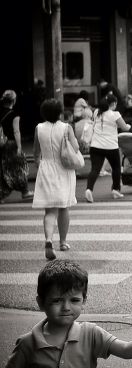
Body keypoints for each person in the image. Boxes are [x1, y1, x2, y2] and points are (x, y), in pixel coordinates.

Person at [5, 259, 132, 368]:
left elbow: (125, 349)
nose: (66, 307)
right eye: (57, 300)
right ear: (41, 303)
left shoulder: (91, 333)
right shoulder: (28, 343)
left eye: (74, 300)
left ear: (84, 301)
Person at [31, 99, 78, 260]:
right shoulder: (66, 128)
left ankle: (48, 239)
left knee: (50, 210)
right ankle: (63, 242)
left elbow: (36, 153)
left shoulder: (39, 128)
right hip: (63, 169)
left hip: (46, 167)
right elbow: (76, 148)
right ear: (59, 112)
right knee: (64, 207)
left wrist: (40, 166)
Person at [85, 94, 131, 203]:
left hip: (95, 146)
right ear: (113, 104)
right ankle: (115, 190)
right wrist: (129, 126)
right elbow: (124, 128)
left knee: (95, 169)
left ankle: (89, 189)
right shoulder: (115, 114)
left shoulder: (97, 112)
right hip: (111, 146)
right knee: (116, 168)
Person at [0, 90, 34, 203]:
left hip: (1, 144)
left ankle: (1, 194)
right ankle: (25, 191)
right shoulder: (14, 115)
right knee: (19, 167)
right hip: (10, 144)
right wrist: (19, 146)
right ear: (14, 101)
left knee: (2, 168)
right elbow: (16, 132)